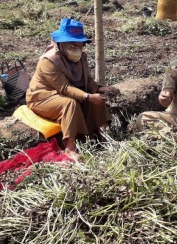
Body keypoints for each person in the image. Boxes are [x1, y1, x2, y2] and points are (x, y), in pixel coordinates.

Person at [26, 18, 120, 158]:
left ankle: (102, 135)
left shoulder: (81, 57)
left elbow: (87, 80)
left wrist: (100, 89)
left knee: (96, 97)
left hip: (67, 93)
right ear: (61, 44)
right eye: (73, 47)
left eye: (80, 46)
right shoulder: (49, 61)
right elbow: (64, 87)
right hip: (42, 98)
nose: (78, 50)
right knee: (70, 103)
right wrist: (87, 96)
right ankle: (70, 148)